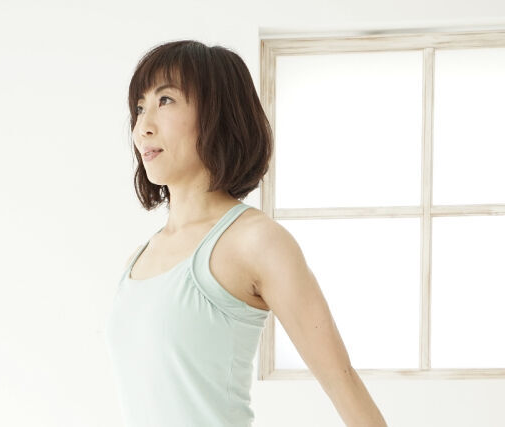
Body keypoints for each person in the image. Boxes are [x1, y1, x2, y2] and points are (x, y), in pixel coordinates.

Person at [105, 39, 387, 427]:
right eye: (139, 108)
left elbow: (344, 386)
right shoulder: (139, 259)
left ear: (215, 114)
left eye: (165, 100)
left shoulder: (257, 241)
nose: (142, 128)